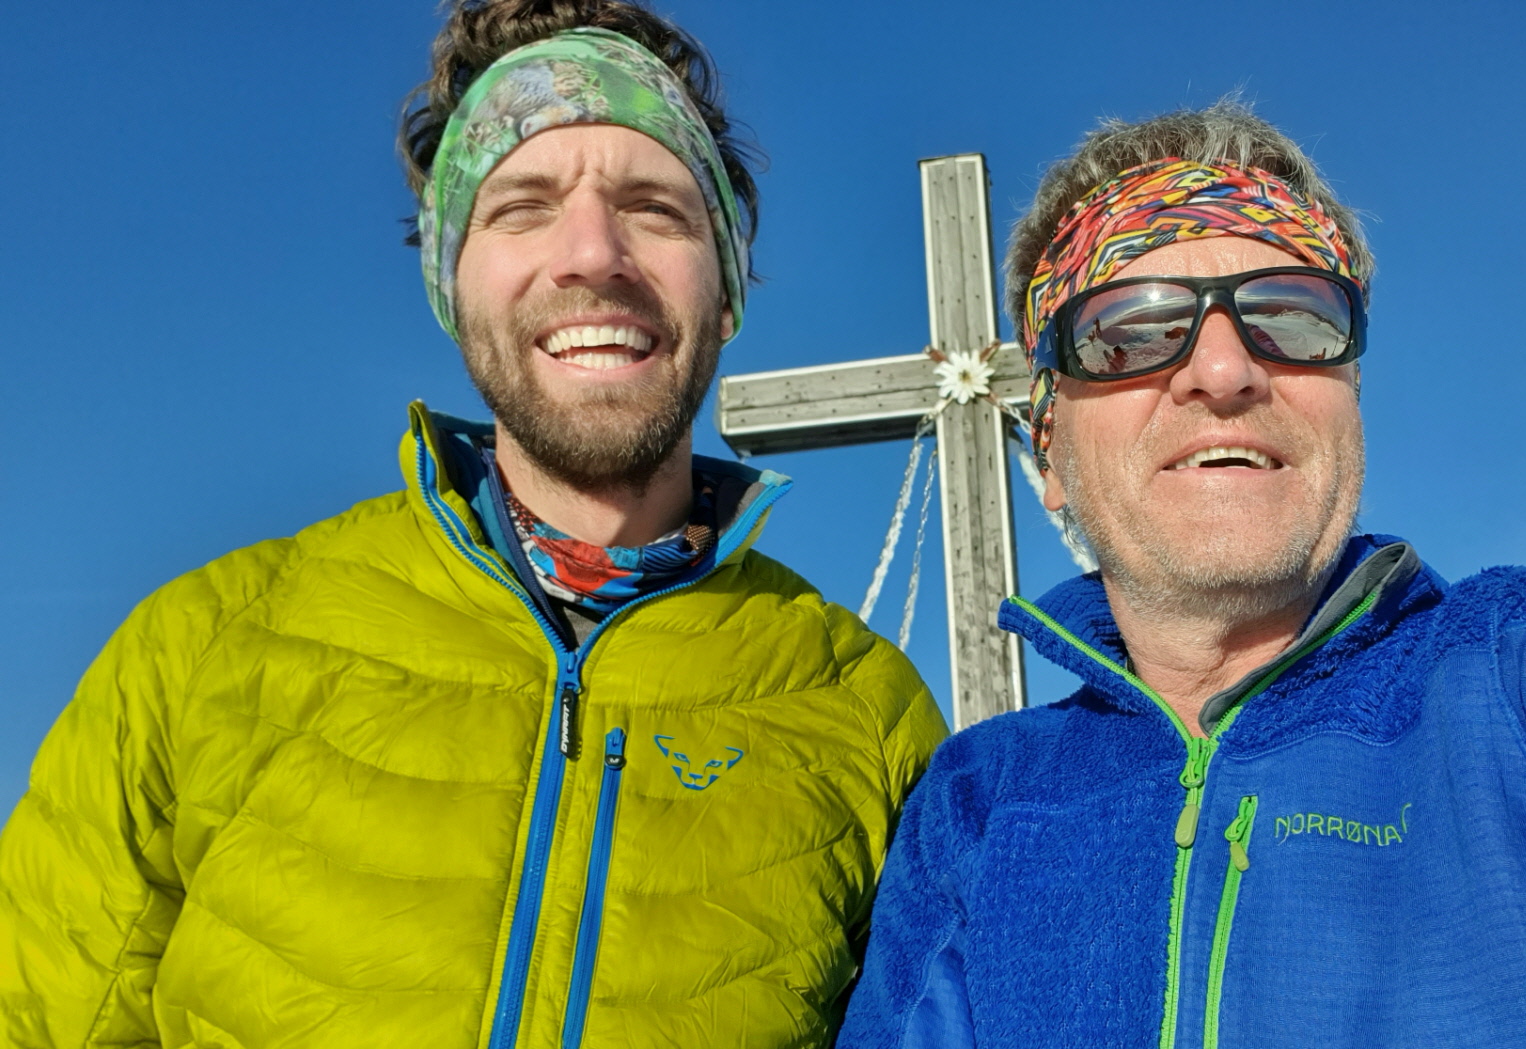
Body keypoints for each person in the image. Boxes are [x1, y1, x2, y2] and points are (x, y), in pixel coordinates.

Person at [0, 2, 946, 1045]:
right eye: (522, 207)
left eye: (654, 208)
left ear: (724, 291)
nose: (591, 252)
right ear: (452, 287)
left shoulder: (864, 716)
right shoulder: (201, 650)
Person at [839, 101, 1526, 1049]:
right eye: (1129, 330)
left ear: (1348, 396)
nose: (1224, 368)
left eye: (1290, 316)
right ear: (1049, 448)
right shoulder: (981, 806)